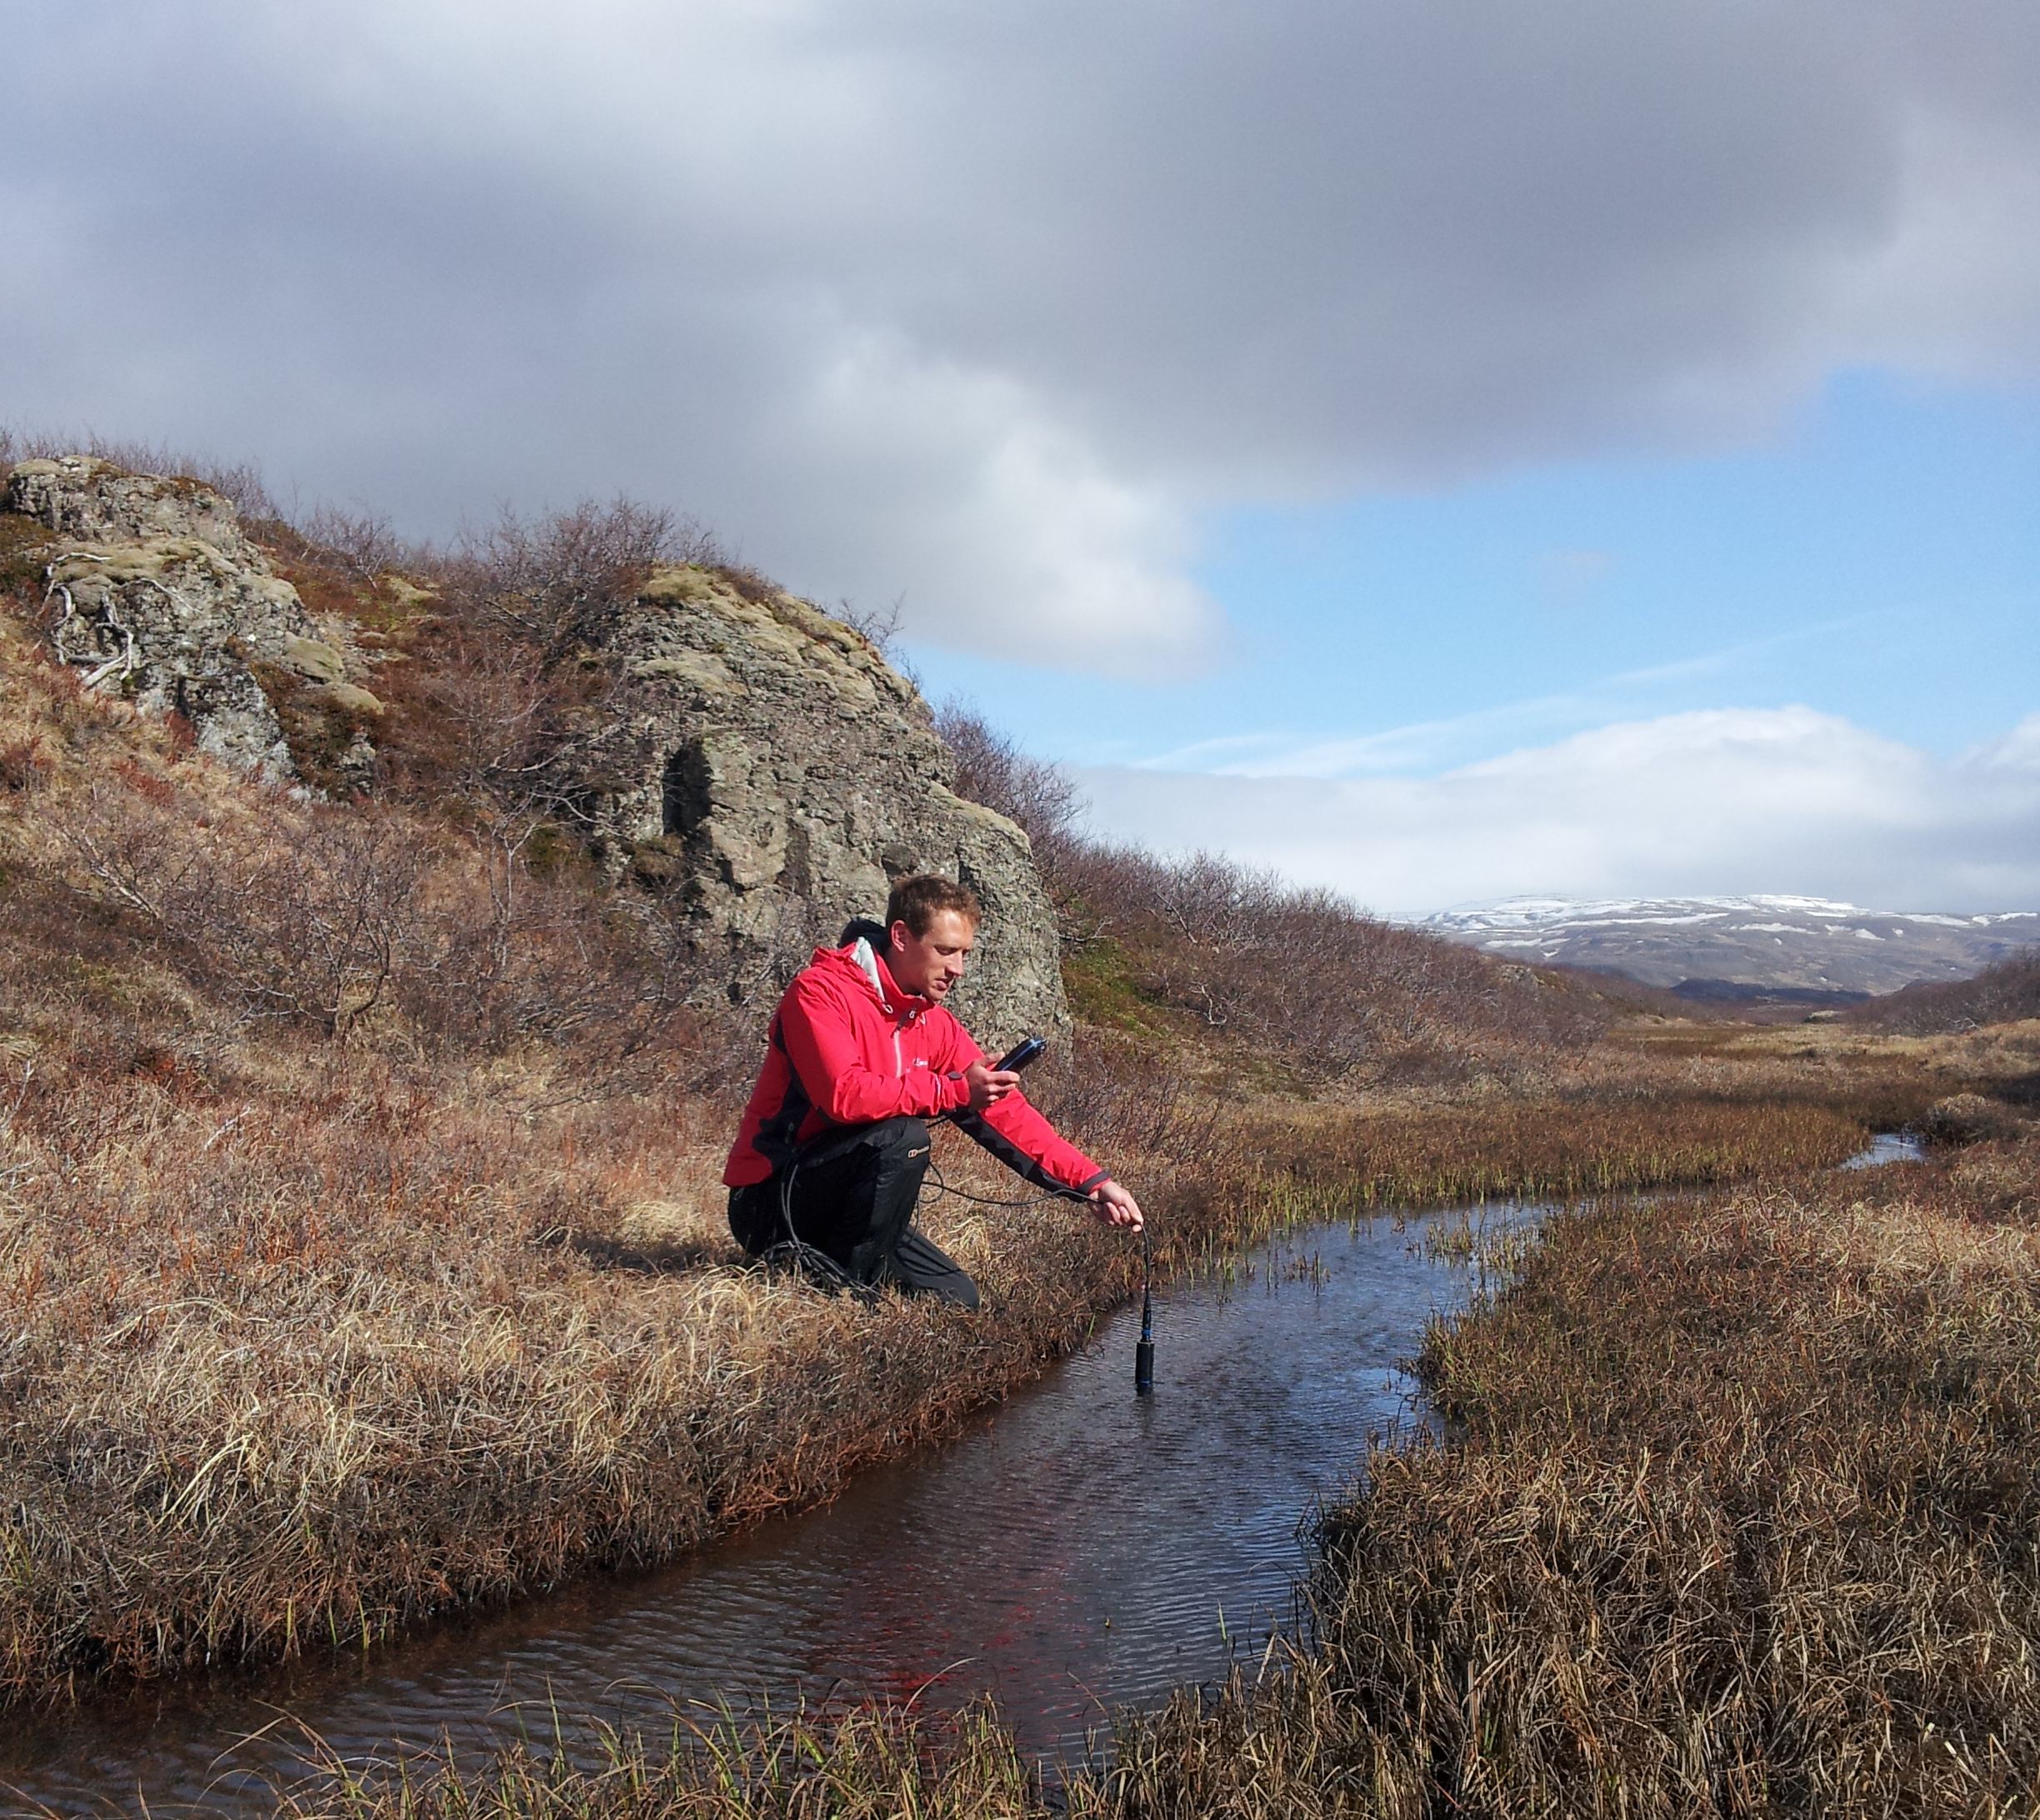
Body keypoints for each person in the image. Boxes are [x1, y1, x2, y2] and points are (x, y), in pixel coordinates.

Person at [724, 873, 1144, 1308]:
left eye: (964, 954)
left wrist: (1092, 1183)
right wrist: (956, 1091)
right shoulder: (819, 992)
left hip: (849, 1202)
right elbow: (843, 1096)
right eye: (945, 951)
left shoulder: (932, 1022)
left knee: (958, 1299)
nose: (958, 969)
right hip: (768, 1203)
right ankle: (846, 1294)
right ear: (901, 936)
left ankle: (837, 1265)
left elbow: (1006, 1114)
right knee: (903, 1137)